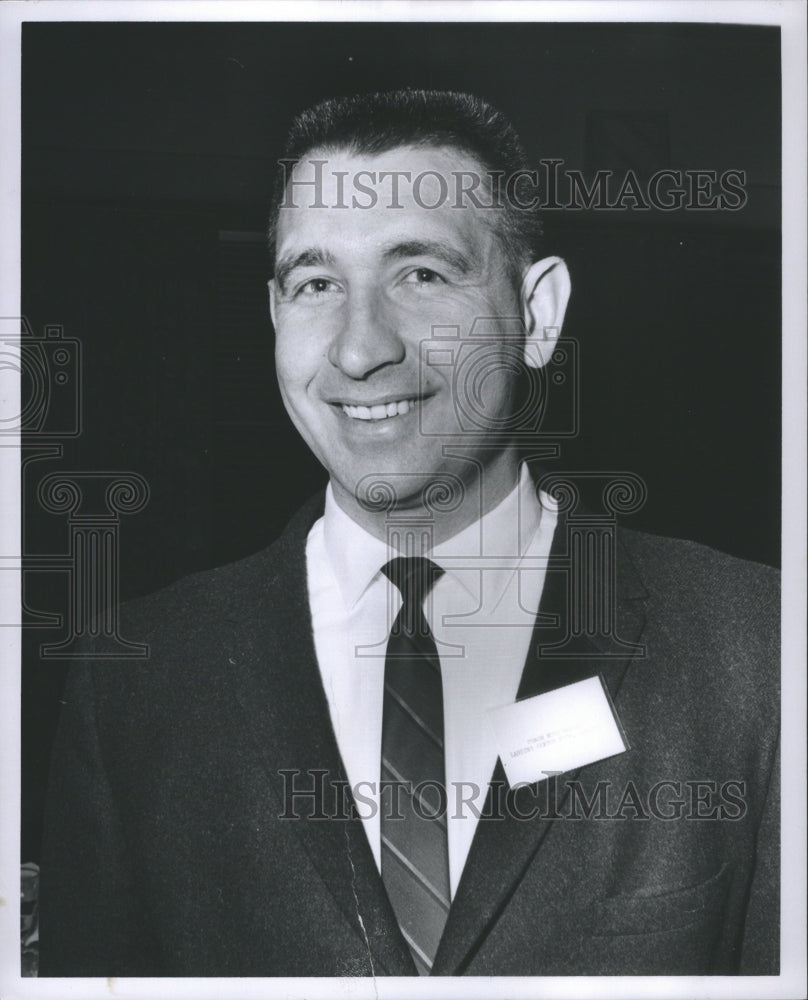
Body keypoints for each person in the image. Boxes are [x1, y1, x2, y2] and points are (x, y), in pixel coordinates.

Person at [38, 90, 779, 978]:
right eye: (316, 284)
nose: (359, 350)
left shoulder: (754, 650)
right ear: (275, 318)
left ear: (537, 314)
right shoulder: (136, 685)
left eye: (420, 274)